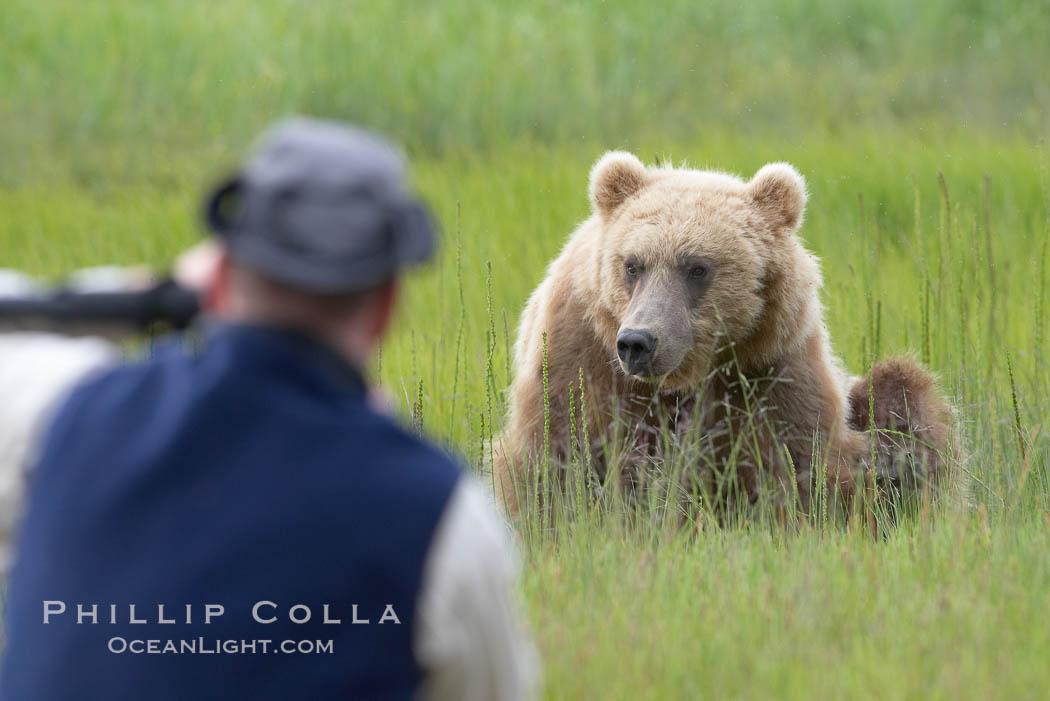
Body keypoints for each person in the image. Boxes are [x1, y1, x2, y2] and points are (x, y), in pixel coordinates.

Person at [0, 118, 537, 700]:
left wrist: (149, 297)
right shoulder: (444, 517)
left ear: (221, 276)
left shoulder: (62, 413)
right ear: (386, 306)